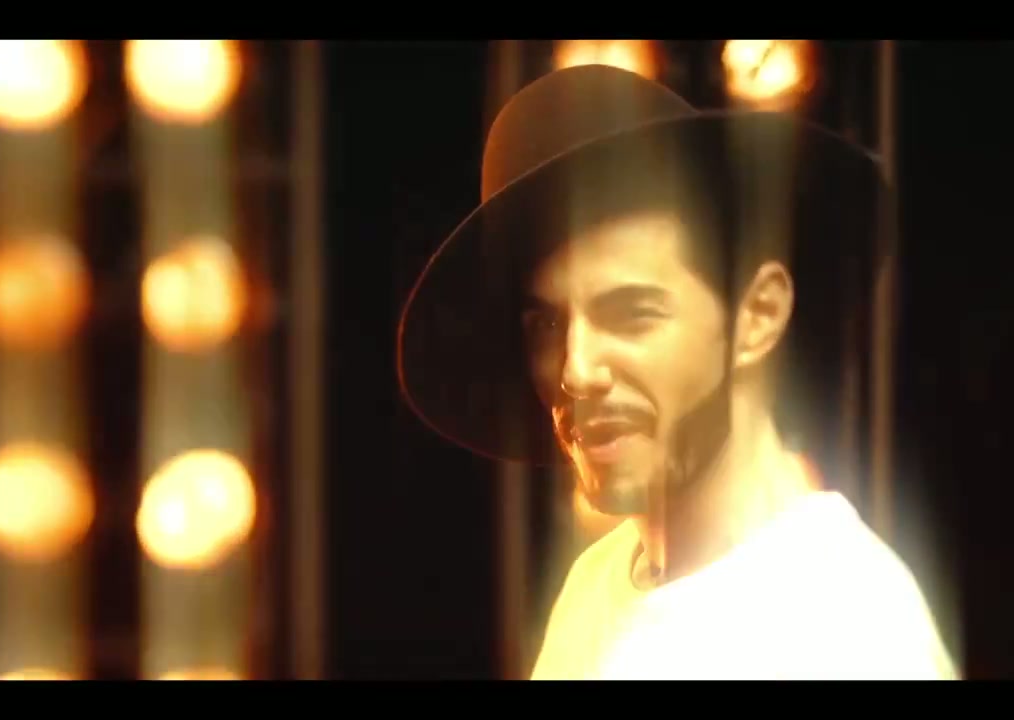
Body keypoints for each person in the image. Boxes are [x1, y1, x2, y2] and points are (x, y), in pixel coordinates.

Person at [397, 63, 958, 680]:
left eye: (631, 314)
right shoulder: (595, 586)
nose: (576, 370)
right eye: (549, 325)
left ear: (757, 316)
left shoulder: (846, 630)